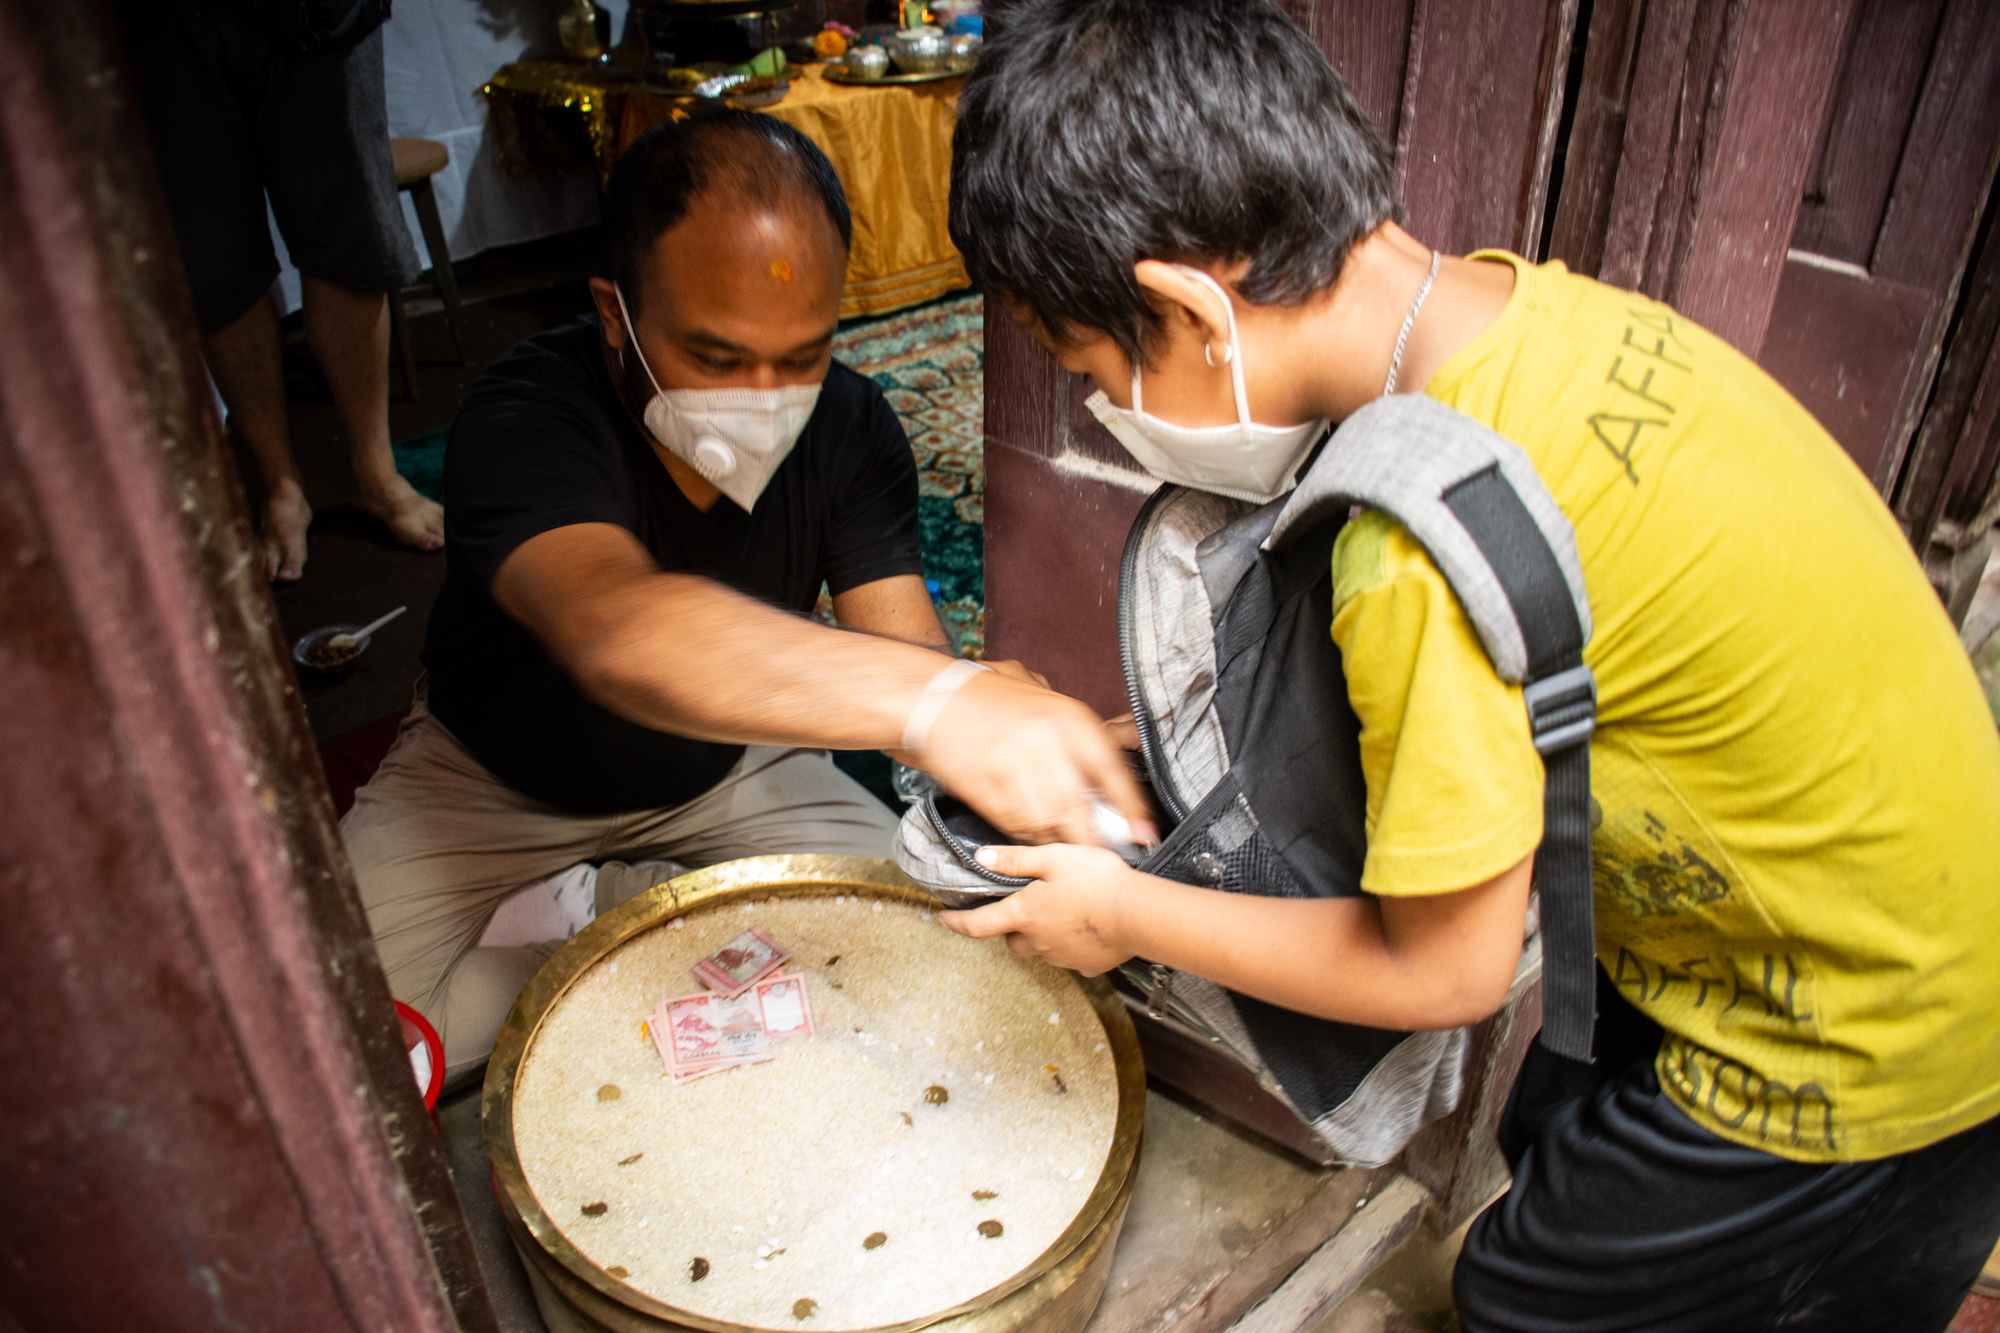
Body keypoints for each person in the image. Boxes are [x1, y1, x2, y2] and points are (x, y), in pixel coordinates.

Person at [936, 2, 2000, 1329]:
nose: (1108, 409)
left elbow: (1443, 974)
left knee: (1515, 1298)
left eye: (1092, 367)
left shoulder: (1410, 552)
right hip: (1894, 913)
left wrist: (1122, 915)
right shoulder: (1525, 314)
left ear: (1188, 308)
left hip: (1870, 1045)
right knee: (1560, 1133)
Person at [342, 111, 1148, 1091]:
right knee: (329, 1042)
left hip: (722, 772)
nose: (765, 399)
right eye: (717, 359)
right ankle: (612, 919)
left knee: (929, 935)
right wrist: (940, 703)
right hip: (488, 781)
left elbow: (905, 654)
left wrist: (1026, 738)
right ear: (614, 313)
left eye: (802, 355)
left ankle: (625, 913)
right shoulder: (525, 414)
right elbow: (618, 629)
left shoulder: (849, 424)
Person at [118, 0, 444, 581]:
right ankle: (279, 486)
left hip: (316, 8)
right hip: (159, 24)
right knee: (213, 253)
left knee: (348, 233)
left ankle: (376, 471)